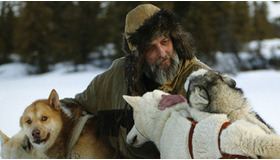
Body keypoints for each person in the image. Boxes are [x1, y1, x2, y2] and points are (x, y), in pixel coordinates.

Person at [64, 3, 211, 158]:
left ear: (175, 39)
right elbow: (74, 107)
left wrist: (187, 109)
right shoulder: (116, 76)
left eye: (164, 41)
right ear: (137, 56)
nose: (162, 53)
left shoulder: (202, 78)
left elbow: (230, 124)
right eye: (150, 48)